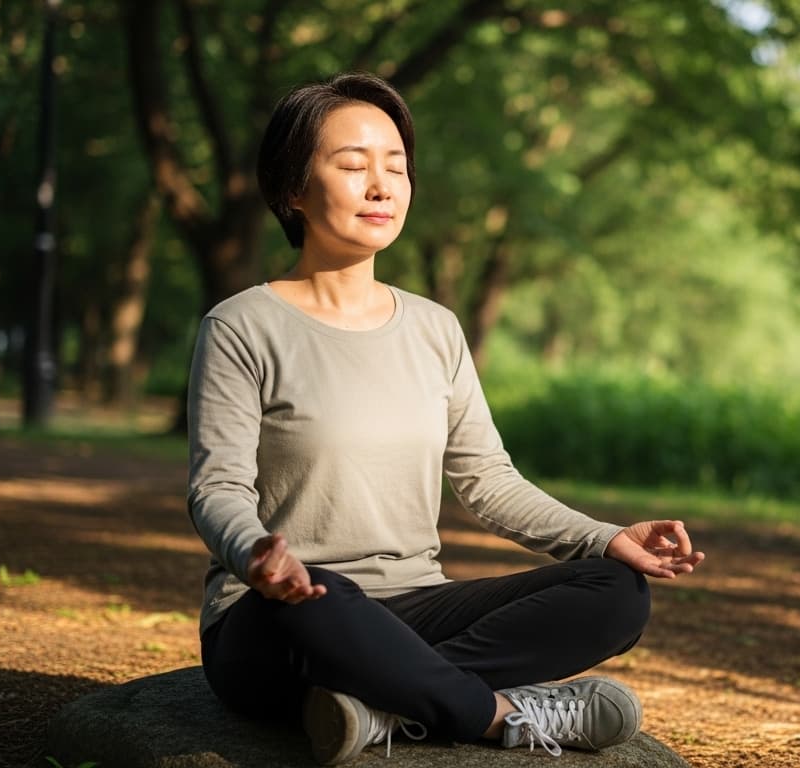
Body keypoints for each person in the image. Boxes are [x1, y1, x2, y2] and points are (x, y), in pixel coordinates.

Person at [186, 71, 706, 765]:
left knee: (616, 594)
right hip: (287, 616)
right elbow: (215, 488)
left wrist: (606, 538)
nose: (382, 186)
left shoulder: (434, 328)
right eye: (352, 165)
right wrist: (255, 552)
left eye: (395, 167)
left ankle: (377, 707)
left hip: (414, 609)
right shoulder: (243, 326)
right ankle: (499, 716)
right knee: (326, 597)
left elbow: (487, 479)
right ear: (292, 188)